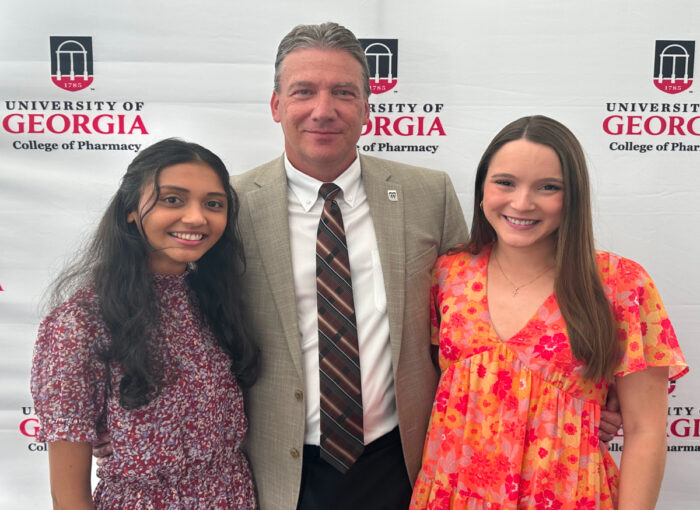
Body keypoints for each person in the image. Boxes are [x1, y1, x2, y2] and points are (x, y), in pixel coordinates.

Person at [231, 22, 468, 509]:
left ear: (366, 108)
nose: (323, 110)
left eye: (343, 92)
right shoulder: (230, 206)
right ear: (276, 106)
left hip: (404, 462)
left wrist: (576, 384)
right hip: (281, 469)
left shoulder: (430, 194)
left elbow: (476, 319)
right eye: (304, 92)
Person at [410, 115, 688, 509]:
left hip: (568, 496)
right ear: (481, 189)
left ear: (572, 196)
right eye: (505, 182)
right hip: (452, 494)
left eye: (548, 187)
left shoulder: (621, 284)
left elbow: (645, 430)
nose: (522, 203)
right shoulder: (446, 273)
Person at [31, 139, 258, 509]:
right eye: (173, 199)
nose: (197, 217)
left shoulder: (217, 303)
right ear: (132, 210)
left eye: (213, 204)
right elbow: (68, 494)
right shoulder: (80, 322)